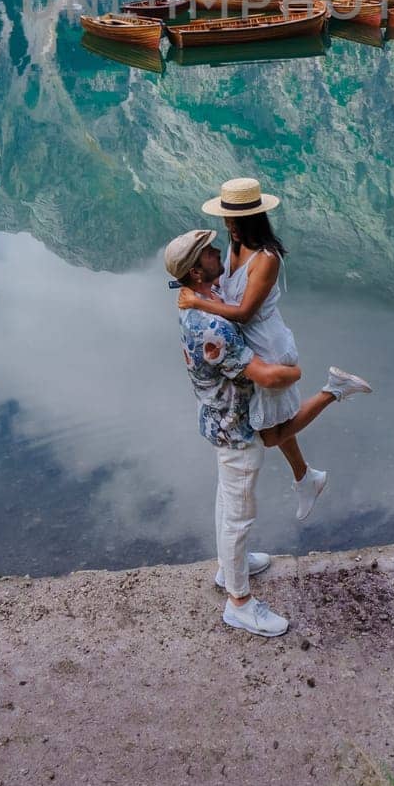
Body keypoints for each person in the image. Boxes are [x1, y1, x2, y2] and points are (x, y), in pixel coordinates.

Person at [177, 177, 372, 523]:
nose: (229, 228)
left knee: (269, 434)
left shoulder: (266, 258)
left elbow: (244, 312)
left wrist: (198, 303)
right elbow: (225, 291)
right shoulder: (235, 248)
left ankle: (333, 391)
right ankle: (305, 477)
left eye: (235, 222)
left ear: (252, 219)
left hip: (267, 344)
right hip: (247, 343)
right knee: (275, 421)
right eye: (227, 221)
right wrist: (200, 293)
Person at [167, 226, 297, 637]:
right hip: (236, 428)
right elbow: (268, 376)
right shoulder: (213, 326)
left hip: (219, 418)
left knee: (227, 499)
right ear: (196, 273)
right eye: (208, 252)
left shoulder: (205, 299)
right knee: (240, 515)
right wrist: (295, 372)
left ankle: (228, 569)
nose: (218, 250)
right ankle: (239, 603)